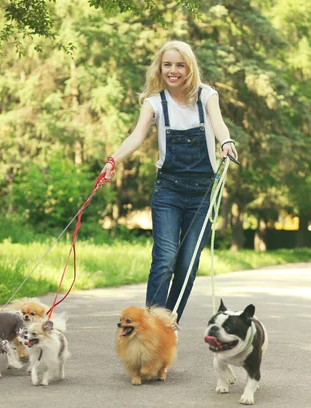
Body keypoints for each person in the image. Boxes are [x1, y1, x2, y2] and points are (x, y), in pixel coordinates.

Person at [101, 40, 238, 324]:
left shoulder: (206, 96)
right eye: (167, 65)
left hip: (203, 192)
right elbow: (136, 136)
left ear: (189, 67)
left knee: (187, 265)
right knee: (165, 259)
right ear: (159, 68)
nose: (173, 71)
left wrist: (225, 141)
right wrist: (113, 160)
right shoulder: (154, 103)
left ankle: (169, 323)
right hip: (168, 191)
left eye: (179, 65)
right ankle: (152, 324)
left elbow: (220, 123)